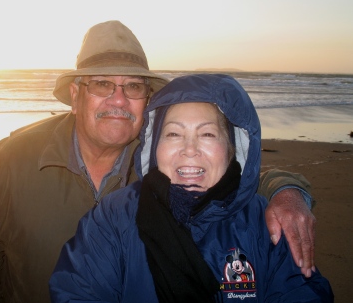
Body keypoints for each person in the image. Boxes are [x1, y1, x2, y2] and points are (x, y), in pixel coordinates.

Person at [0, 21, 315, 303]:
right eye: (101, 84)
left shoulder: (161, 162)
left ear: (148, 101)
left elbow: (230, 175)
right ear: (76, 95)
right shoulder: (11, 164)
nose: (119, 99)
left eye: (134, 87)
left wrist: (287, 190)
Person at [49, 74, 333, 302]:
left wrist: (288, 189)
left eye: (207, 134)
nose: (189, 149)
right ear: (154, 145)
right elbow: (78, 291)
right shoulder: (113, 217)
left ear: (233, 147)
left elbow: (302, 291)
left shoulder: (266, 223)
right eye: (173, 134)